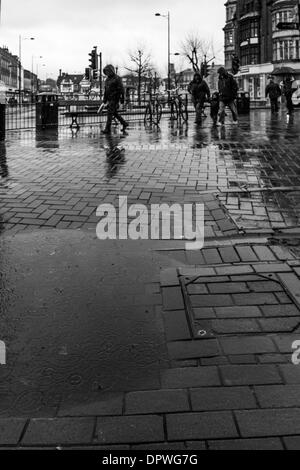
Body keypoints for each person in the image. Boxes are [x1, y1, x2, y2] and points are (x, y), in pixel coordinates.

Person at [102, 64, 129, 134]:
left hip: (115, 98)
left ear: (111, 71)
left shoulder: (117, 78)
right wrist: (104, 99)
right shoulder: (107, 80)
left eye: (108, 71)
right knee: (114, 113)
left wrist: (122, 98)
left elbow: (122, 89)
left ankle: (107, 128)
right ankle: (124, 123)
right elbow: (106, 90)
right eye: (106, 71)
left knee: (109, 113)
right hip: (109, 98)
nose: (107, 73)